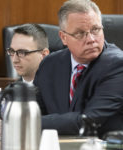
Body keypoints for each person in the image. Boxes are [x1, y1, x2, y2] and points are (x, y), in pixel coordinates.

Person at [34, 0, 123, 138]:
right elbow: (33, 108)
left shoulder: (118, 65)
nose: (91, 39)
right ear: (63, 37)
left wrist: (28, 121)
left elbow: (88, 121)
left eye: (95, 30)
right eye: (80, 33)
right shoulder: (50, 64)